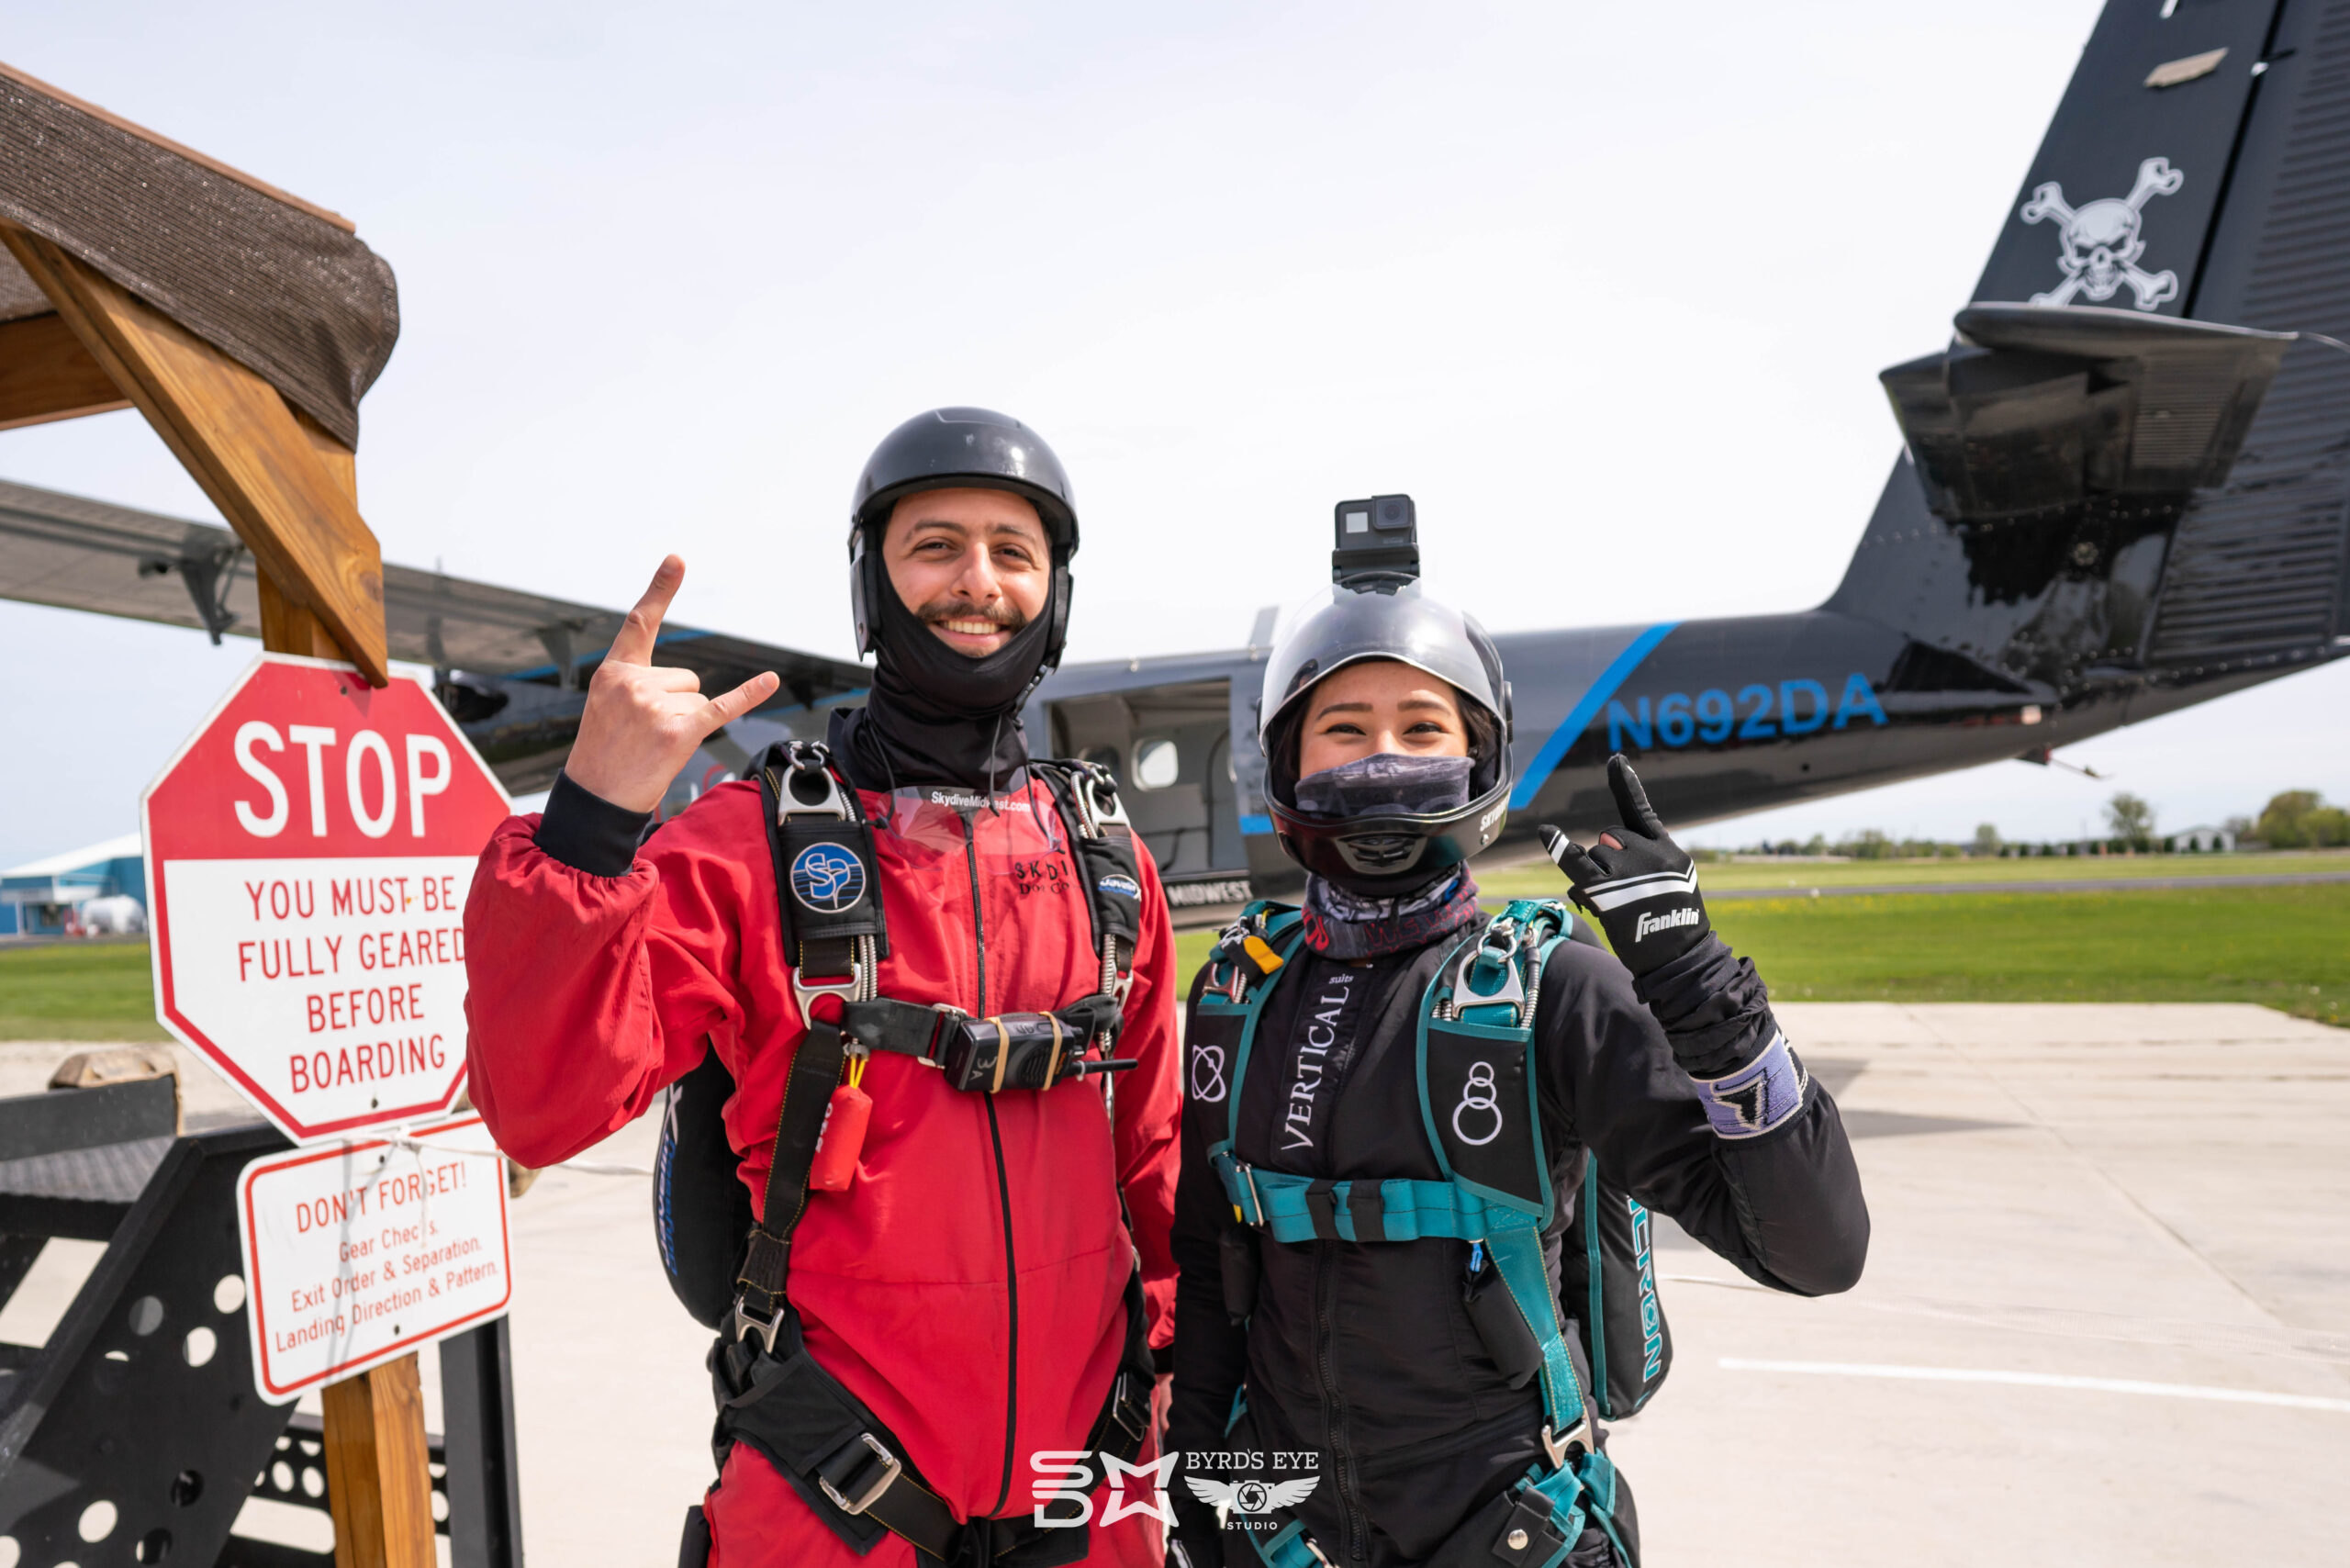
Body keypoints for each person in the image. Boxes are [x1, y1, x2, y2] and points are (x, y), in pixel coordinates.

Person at [464, 408, 1182, 1568]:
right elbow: (543, 1109)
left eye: (1013, 549)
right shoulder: (744, 850)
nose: (976, 580)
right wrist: (591, 818)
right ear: (874, 581)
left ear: (1053, 588)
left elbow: (1156, 1174)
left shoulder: (1107, 864)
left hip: (1088, 1501)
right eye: (934, 544)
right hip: (832, 1506)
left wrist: (1181, 1413)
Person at [1166, 571, 1869, 1568]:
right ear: (1286, 760)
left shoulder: (1554, 994)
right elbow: (1211, 1274)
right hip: (1279, 1540)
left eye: (1421, 727)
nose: (1381, 759)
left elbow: (1816, 1250)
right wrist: (1200, 1508)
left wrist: (1698, 985)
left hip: (1511, 1536)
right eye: (1344, 728)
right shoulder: (1239, 998)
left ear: (1479, 759)